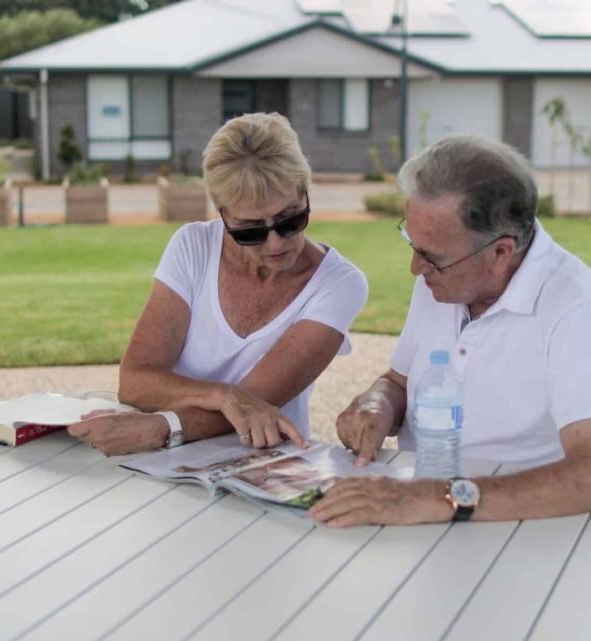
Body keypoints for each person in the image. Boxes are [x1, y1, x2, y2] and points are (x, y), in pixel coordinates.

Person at [309, 135, 591, 528]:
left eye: (432, 257)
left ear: (500, 253)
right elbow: (399, 381)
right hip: (413, 511)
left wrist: (435, 499)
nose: (415, 268)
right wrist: (378, 403)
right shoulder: (442, 280)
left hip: (523, 532)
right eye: (413, 244)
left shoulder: (577, 304)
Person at [67, 113, 369, 456]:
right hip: (169, 460)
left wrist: (162, 428)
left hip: (265, 463)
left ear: (305, 193)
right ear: (221, 212)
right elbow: (135, 381)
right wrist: (225, 396)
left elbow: (257, 402)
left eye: (291, 220)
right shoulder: (193, 246)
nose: (275, 244)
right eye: (250, 230)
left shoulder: (340, 284)